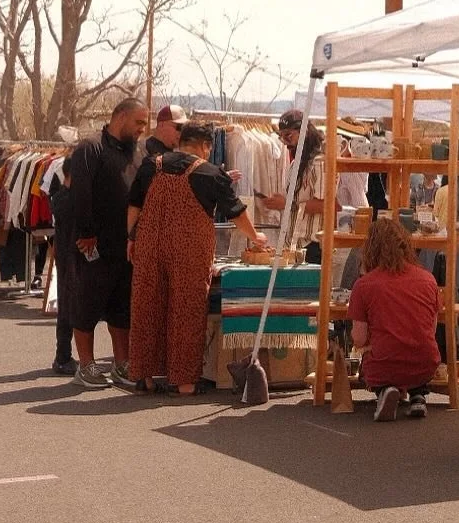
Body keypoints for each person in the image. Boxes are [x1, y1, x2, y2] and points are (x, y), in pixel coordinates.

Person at [122, 122, 269, 395]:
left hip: (149, 247)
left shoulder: (151, 165)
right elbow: (236, 212)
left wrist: (132, 238)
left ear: (181, 142)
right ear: (205, 146)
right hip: (189, 252)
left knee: (147, 308)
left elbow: (134, 205)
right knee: (186, 311)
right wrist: (255, 236)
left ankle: (145, 378)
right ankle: (184, 383)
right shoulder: (211, 173)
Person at [68, 97, 148, 389]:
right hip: (94, 245)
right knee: (87, 304)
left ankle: (121, 363)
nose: (142, 128)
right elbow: (80, 194)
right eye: (139, 122)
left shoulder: (137, 152)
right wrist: (87, 233)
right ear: (121, 116)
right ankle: (86, 365)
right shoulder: (90, 148)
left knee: (121, 306)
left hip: (125, 246)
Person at [347, 219, 441, 422]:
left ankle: (384, 390)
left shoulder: (364, 285)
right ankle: (418, 395)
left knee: (375, 356)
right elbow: (431, 329)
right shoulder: (428, 279)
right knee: (415, 349)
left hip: (385, 362)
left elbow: (359, 338)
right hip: (425, 362)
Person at [263, 119, 329, 263]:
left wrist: (286, 204)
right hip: (293, 245)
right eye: (281, 137)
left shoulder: (320, 163)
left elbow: (325, 205)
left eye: (289, 135)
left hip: (311, 245)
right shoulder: (295, 164)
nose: (285, 143)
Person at [47, 154, 76, 375]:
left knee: (68, 308)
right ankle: (63, 356)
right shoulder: (66, 199)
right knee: (68, 309)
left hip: (66, 257)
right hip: (69, 259)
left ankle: (63, 356)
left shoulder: (60, 197)